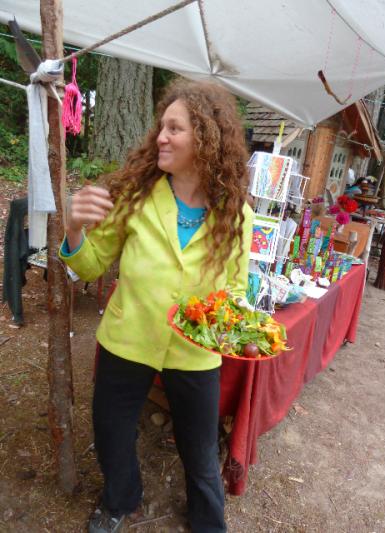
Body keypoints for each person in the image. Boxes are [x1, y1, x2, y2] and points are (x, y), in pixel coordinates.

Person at [60, 79, 253, 533]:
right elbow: (88, 266)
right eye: (160, 127)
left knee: (200, 447)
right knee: (111, 433)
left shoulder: (236, 214)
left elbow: (237, 291)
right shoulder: (134, 196)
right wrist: (73, 231)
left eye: (175, 128)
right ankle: (120, 499)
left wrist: (239, 328)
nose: (160, 136)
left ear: (206, 138)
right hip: (128, 339)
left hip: (195, 351)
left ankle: (208, 520)